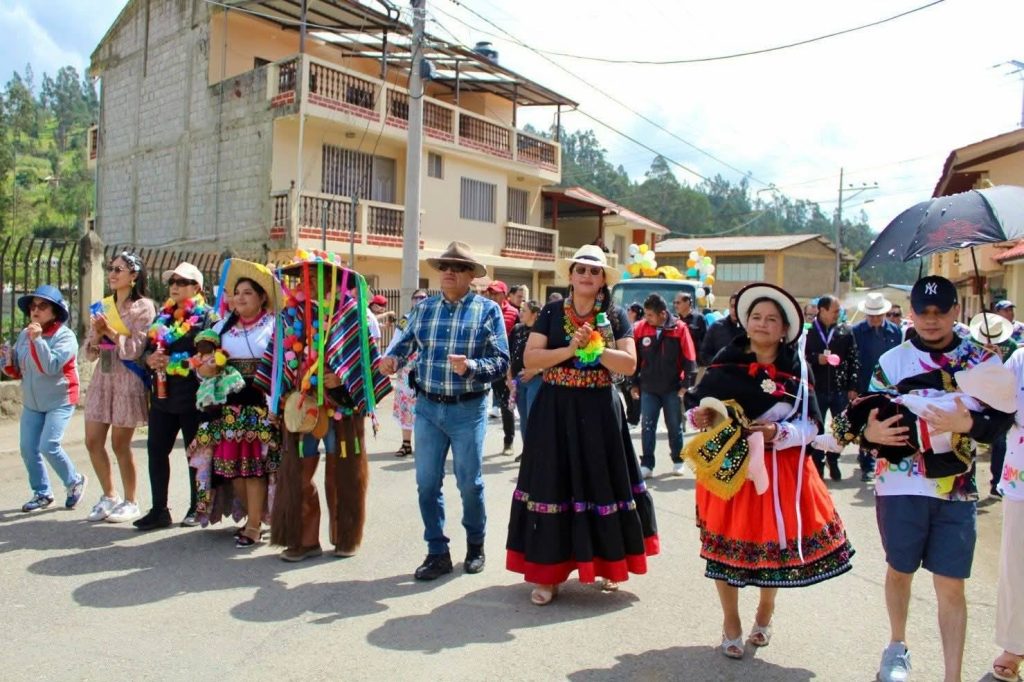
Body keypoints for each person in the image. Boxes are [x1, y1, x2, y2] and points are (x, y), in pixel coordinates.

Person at [835, 276, 1012, 682]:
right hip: (899, 487)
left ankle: (953, 676)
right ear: (911, 313)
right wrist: (870, 436)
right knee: (901, 570)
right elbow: (867, 415)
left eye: (941, 312)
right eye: (923, 312)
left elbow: (1001, 420)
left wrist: (968, 422)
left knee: (952, 585)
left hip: (957, 489)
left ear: (955, 312)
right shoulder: (893, 361)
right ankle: (896, 647)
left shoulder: (980, 360)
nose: (932, 321)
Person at [684, 282, 854, 659]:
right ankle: (731, 621)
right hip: (730, 469)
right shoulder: (727, 361)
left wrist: (779, 431)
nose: (762, 324)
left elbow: (812, 426)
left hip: (780, 473)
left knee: (771, 546)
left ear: (784, 329)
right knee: (722, 549)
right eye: (756, 317)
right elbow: (696, 408)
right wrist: (702, 416)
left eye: (771, 319)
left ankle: (765, 610)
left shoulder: (797, 369)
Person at [506, 244, 658, 606]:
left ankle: (607, 563)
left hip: (600, 412)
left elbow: (628, 365)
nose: (587, 276)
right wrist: (571, 349)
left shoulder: (615, 316)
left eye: (595, 271)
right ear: (571, 275)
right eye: (581, 270)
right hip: (555, 409)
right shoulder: (551, 312)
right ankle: (549, 574)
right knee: (551, 486)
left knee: (601, 483)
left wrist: (596, 348)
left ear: (603, 278)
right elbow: (532, 358)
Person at [381, 241, 510, 581]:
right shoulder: (425, 310)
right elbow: (403, 344)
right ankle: (437, 551)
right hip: (427, 408)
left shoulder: (488, 311)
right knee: (426, 484)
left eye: (457, 267)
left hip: (468, 410)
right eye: (444, 267)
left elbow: (501, 362)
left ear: (471, 275)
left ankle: (476, 544)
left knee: (469, 483)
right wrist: (392, 358)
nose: (448, 272)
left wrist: (469, 366)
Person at [260, 251, 392, 561]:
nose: (312, 280)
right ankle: (304, 539)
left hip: (340, 409)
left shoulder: (350, 315)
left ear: (333, 279)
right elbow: (280, 360)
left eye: (319, 275)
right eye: (307, 275)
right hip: (302, 408)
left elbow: (363, 364)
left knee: (340, 473)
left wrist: (341, 380)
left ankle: (343, 535)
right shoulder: (291, 315)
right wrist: (284, 396)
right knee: (298, 475)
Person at [187, 263, 280, 547]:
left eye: (248, 293)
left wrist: (276, 405)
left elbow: (281, 368)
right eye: (236, 293)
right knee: (232, 469)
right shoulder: (219, 328)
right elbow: (200, 367)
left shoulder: (274, 326)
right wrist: (204, 369)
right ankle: (252, 515)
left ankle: (253, 525)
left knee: (254, 469)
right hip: (227, 409)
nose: (240, 298)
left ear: (262, 297)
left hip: (260, 407)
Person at [135, 263, 219, 530]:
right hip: (162, 395)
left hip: (193, 398)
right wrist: (152, 359)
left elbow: (212, 356)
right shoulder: (163, 317)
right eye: (172, 281)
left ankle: (197, 507)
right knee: (156, 451)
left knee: (195, 455)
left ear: (197, 287)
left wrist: (176, 362)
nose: (175, 285)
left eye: (182, 282)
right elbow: (145, 352)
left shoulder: (208, 317)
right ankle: (159, 509)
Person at [82, 252, 156, 523]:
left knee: (120, 444)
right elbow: (90, 350)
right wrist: (98, 333)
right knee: (92, 441)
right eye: (110, 269)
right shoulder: (102, 305)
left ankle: (130, 500)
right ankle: (108, 495)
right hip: (104, 374)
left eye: (119, 270)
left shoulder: (143, 307)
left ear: (133, 276)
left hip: (128, 379)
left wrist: (110, 332)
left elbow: (135, 348)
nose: (112, 274)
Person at [3, 285, 88, 512]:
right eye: (33, 306)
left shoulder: (65, 337)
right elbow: (19, 370)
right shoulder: (24, 334)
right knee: (28, 448)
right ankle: (42, 493)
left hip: (60, 400)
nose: (35, 310)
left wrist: (38, 340)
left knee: (48, 445)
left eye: (42, 306)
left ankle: (74, 481)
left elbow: (50, 367)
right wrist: (6, 359)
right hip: (33, 402)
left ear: (55, 311)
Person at [632, 293, 697, 478]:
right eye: (645, 314)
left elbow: (690, 358)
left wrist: (686, 385)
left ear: (662, 314)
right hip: (649, 388)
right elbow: (634, 360)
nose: (647, 318)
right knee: (647, 426)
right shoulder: (640, 329)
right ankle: (647, 464)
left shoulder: (679, 328)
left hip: (672, 388)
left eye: (650, 315)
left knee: (674, 425)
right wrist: (634, 384)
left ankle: (678, 460)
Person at [804, 295, 859, 481]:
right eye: (835, 311)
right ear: (822, 310)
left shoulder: (845, 331)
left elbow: (853, 359)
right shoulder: (808, 332)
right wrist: (814, 358)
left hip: (840, 389)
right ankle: (818, 463)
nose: (838, 314)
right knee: (816, 430)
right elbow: (800, 358)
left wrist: (852, 386)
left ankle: (833, 458)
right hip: (816, 389)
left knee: (843, 428)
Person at [994, 346, 1024, 682]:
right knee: (1017, 565)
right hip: (1021, 479)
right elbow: (1000, 409)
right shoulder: (1020, 359)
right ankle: (1015, 646)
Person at [850, 293, 902, 482]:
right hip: (864, 385)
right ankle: (867, 465)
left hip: (889, 386)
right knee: (866, 424)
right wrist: (853, 386)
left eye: (878, 315)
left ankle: (884, 460)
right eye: (871, 315)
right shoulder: (856, 331)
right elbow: (851, 361)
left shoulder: (895, 332)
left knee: (887, 422)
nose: (875, 319)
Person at [968, 312, 1019, 499]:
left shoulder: (1011, 346)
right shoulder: (969, 344)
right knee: (968, 441)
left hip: (996, 404)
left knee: (999, 442)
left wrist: (997, 362)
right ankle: (968, 481)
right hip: (972, 400)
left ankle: (996, 483)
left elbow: (1011, 376)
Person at [389, 288, 429, 457]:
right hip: (407, 369)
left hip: (427, 369)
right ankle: (406, 444)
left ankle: (427, 445)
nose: (419, 300)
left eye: (423, 297)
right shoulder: (406, 319)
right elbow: (395, 341)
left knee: (426, 407)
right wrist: (388, 360)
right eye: (416, 297)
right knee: (406, 405)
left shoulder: (432, 318)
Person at [484, 279, 518, 456]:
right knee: (478, 402)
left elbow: (517, 340)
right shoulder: (482, 310)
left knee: (506, 405)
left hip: (503, 366)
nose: (492, 295)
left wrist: (512, 368)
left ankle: (508, 441)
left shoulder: (513, 313)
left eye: (496, 292)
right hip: (483, 364)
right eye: (490, 292)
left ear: (504, 295)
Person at [507, 299, 542, 462]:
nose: (520, 313)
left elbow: (551, 357)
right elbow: (509, 353)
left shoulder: (542, 331)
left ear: (534, 314)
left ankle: (537, 454)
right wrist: (509, 377)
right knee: (523, 418)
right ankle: (527, 452)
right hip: (518, 381)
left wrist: (535, 370)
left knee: (534, 417)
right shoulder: (517, 329)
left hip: (536, 380)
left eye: (524, 310)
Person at [700, 293, 744, 365]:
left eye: (738, 306)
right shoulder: (716, 327)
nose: (734, 309)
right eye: (732, 306)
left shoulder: (750, 329)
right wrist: (718, 364)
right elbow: (704, 354)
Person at [674, 292, 707, 360]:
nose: (675, 305)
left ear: (687, 303)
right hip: (679, 362)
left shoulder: (699, 318)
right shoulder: (674, 320)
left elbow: (706, 341)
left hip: (695, 362)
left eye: (678, 303)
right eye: (674, 303)